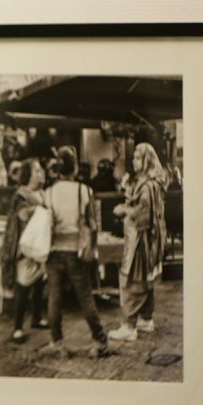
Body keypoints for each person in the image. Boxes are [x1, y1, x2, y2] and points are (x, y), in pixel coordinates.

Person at [39, 147, 110, 358]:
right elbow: (93, 225)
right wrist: (93, 247)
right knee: (85, 297)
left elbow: (45, 224)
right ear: (75, 166)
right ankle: (99, 341)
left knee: (54, 298)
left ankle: (57, 343)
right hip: (75, 251)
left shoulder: (48, 193)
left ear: (58, 169)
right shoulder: (84, 190)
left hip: (53, 250)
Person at [108, 143, 168, 342]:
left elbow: (143, 215)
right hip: (146, 239)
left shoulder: (148, 185)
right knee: (146, 279)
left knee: (134, 278)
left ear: (146, 160)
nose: (133, 161)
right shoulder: (150, 182)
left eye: (137, 158)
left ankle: (129, 325)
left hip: (140, 240)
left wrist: (124, 210)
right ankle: (146, 318)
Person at [0, 159, 48, 343]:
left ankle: (36, 318)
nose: (41, 172)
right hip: (24, 246)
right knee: (23, 284)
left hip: (39, 246)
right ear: (28, 174)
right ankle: (17, 328)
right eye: (37, 170)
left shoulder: (43, 193)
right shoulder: (21, 195)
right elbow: (21, 215)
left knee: (38, 283)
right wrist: (39, 209)